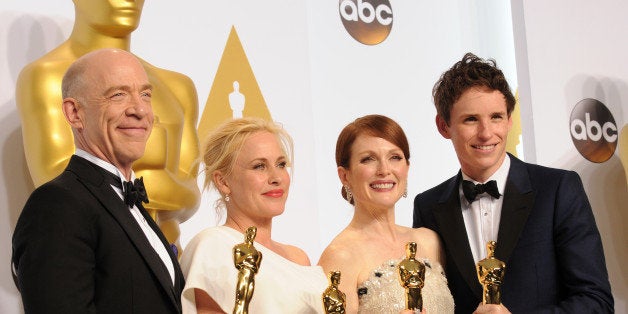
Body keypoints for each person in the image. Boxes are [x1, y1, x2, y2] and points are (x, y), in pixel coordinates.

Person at [413, 52, 614, 313]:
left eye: (496, 117)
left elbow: (596, 301)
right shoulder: (429, 207)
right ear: (444, 126)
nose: (486, 133)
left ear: (509, 120)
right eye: (471, 119)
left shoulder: (557, 190)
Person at [15, 0, 200, 253]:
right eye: (117, 96)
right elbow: (58, 181)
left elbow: (190, 195)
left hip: (170, 269)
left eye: (145, 95)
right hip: (93, 262)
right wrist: (156, 167)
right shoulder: (47, 77)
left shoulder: (177, 87)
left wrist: (129, 174)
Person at [12, 48, 185, 313]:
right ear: (74, 113)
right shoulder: (57, 205)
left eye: (146, 95)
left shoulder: (130, 203)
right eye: (118, 95)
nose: (140, 110)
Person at [180, 117, 328, 313]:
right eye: (259, 166)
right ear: (223, 181)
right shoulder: (212, 248)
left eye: (281, 164)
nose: (276, 178)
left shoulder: (298, 257)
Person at [318, 114, 455, 313]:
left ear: (407, 168)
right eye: (368, 159)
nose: (384, 170)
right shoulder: (340, 257)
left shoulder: (430, 241)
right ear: (344, 175)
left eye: (395, 157)